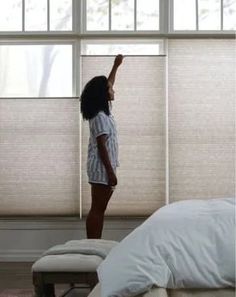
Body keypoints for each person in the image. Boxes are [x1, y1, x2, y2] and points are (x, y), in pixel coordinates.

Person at [80, 54, 124, 238]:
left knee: (100, 209)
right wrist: (111, 173)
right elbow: (101, 147)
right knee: (97, 209)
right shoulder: (99, 116)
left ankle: (95, 243)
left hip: (105, 168)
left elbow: (109, 82)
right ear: (103, 94)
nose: (113, 90)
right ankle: (93, 244)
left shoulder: (104, 111)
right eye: (109, 89)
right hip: (101, 169)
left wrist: (116, 66)